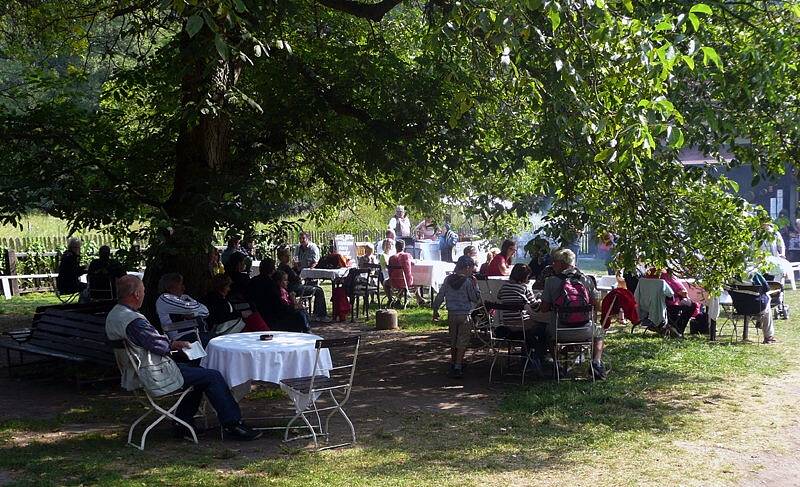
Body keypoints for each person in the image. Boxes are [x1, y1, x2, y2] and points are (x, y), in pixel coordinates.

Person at [105, 276, 261, 441]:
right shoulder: (134, 320)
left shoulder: (115, 314)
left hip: (135, 371)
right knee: (212, 376)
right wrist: (173, 344)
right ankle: (233, 424)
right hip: (153, 373)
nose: (144, 294)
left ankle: (183, 423)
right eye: (143, 291)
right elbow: (158, 345)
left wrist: (173, 344)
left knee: (199, 374)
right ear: (136, 294)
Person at [539, 248, 607, 379]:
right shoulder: (586, 280)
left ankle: (557, 365)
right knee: (599, 334)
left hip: (559, 332)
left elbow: (543, 308)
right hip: (584, 330)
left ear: (562, 264)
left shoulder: (551, 281)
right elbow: (596, 305)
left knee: (546, 333)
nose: (553, 265)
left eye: (555, 262)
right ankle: (596, 363)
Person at [432, 256, 480, 378]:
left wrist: (435, 309)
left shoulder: (448, 280)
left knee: (453, 339)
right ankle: (458, 366)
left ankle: (453, 363)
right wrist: (477, 288)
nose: (472, 272)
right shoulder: (468, 282)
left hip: (451, 314)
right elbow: (474, 298)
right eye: (471, 269)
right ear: (467, 267)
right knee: (462, 340)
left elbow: (440, 295)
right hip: (465, 314)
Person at [496, 264, 547, 365]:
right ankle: (540, 356)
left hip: (507, 324)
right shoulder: (524, 288)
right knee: (543, 328)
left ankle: (528, 357)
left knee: (531, 332)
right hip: (522, 325)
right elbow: (535, 307)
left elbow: (499, 296)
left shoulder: (504, 286)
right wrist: (540, 299)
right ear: (524, 277)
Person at [276, 246, 328, 321]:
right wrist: (297, 271)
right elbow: (297, 278)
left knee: (315, 288)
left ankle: (317, 313)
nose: (288, 258)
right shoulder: (285, 267)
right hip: (294, 289)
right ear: (281, 257)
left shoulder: (281, 267)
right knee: (318, 290)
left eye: (289, 256)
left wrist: (295, 269)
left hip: (292, 288)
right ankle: (321, 315)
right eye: (286, 256)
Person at [155, 273, 210, 341]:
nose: (183, 288)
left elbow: (206, 311)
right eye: (180, 285)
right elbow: (189, 308)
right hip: (181, 337)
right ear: (169, 288)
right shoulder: (164, 298)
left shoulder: (184, 297)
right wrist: (195, 309)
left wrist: (194, 314)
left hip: (196, 333)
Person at [659, 268, 699, 337]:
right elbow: (682, 292)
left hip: (660, 305)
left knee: (687, 306)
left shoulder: (657, 278)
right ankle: (679, 328)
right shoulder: (669, 278)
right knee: (693, 306)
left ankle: (676, 328)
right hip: (670, 305)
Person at [388, 239, 425, 305]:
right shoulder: (407, 256)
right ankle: (419, 298)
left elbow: (389, 271)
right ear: (404, 247)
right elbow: (413, 263)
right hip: (406, 281)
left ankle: (390, 299)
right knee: (414, 280)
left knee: (385, 282)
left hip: (394, 282)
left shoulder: (391, 258)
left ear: (395, 247)